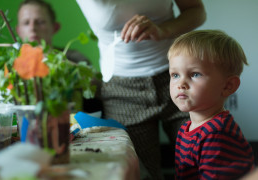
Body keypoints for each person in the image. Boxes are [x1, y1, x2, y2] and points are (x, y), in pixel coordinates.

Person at [76, 0, 206, 179]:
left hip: (177, 77)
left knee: (203, 166)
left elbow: (196, 10)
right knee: (143, 174)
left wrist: (163, 30)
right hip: (122, 92)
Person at [168, 29, 255, 179]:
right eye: (175, 75)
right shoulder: (185, 129)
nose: (180, 84)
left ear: (228, 86)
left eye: (195, 74)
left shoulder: (216, 133)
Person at [16, 0, 89, 64]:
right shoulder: (11, 63)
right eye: (26, 23)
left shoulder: (75, 57)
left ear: (55, 28)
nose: (32, 28)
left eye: (40, 22)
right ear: (18, 31)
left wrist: (54, 58)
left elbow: (94, 78)